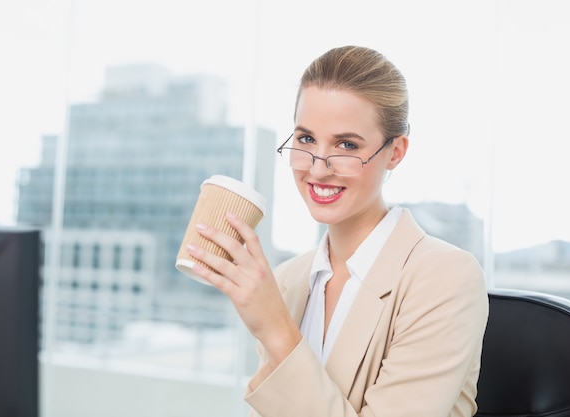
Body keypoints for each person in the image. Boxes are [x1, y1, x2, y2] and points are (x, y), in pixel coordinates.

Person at [185, 45, 489, 417]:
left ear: (395, 152)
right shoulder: (288, 281)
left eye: (347, 145)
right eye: (306, 139)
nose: (317, 168)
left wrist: (276, 330)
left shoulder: (444, 278)